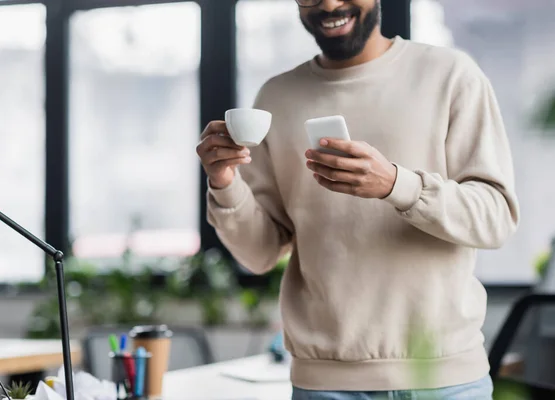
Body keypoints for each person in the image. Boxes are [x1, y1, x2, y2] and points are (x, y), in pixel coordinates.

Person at [196, 0, 520, 398]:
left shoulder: (451, 76)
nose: (329, 4)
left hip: (444, 380)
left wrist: (396, 185)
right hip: (323, 385)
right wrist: (224, 181)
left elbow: (496, 217)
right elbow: (261, 252)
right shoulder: (276, 97)